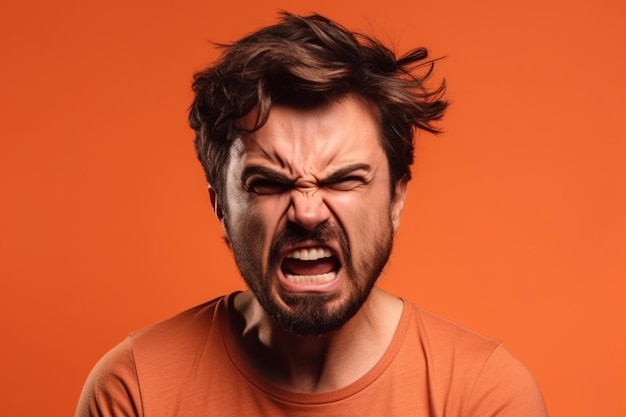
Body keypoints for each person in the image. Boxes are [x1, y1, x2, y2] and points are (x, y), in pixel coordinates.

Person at [76, 12, 548, 416]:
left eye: (342, 179)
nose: (306, 212)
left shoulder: (481, 395)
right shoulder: (136, 389)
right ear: (220, 205)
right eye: (271, 183)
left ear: (395, 198)